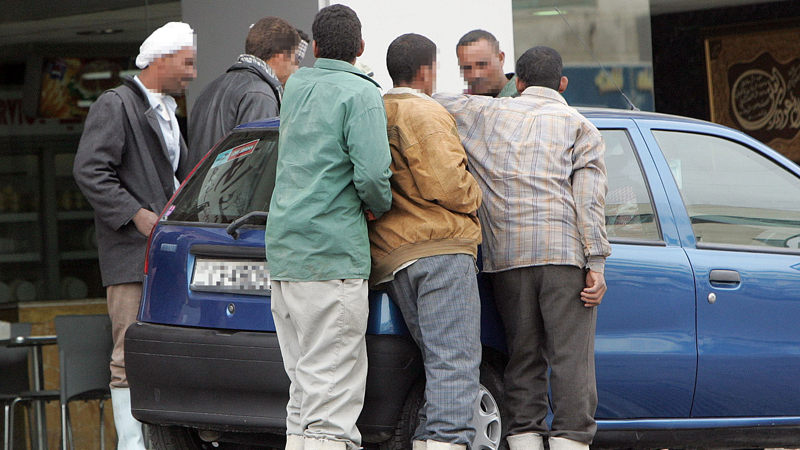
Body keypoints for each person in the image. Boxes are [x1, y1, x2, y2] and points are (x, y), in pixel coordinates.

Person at [434, 46, 611, 450]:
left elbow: (434, 99)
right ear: (562, 83)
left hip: (507, 261)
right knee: (570, 361)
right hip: (565, 259)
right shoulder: (581, 126)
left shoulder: (487, 113)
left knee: (522, 360)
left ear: (520, 82)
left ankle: (525, 439)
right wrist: (596, 263)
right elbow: (589, 201)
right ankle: (570, 439)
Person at [264, 5, 392, 450]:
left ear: (315, 47)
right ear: (361, 47)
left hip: (285, 255)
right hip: (330, 256)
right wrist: (377, 208)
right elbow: (373, 178)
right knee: (331, 401)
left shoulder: (296, 85)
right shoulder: (361, 93)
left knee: (303, 393)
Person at [72, 22, 196, 450]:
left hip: (164, 253)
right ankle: (132, 445)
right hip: (130, 254)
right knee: (127, 355)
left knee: (163, 351)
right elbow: (89, 170)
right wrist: (135, 214)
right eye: (187, 63)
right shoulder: (115, 104)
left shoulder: (165, 109)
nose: (192, 73)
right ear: (161, 60)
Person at [370, 33, 483, 450]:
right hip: (439, 249)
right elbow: (448, 184)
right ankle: (444, 441)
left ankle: (430, 439)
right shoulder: (423, 111)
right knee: (454, 360)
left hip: (393, 254)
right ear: (426, 71)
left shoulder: (376, 111)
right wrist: (477, 194)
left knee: (437, 361)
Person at [189, 16, 301, 160]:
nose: (297, 68)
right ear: (281, 56)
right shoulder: (260, 95)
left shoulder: (209, 88)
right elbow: (256, 164)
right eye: (296, 58)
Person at [456, 29, 518, 97]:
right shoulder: (463, 101)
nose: (476, 74)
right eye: (467, 68)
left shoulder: (524, 96)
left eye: (482, 64)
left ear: (500, 58)